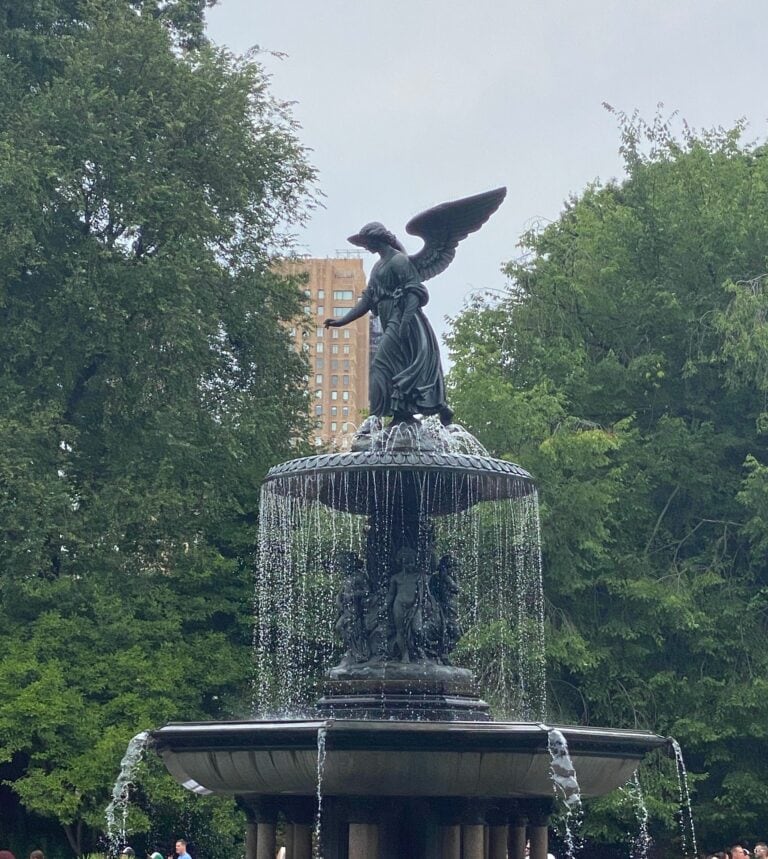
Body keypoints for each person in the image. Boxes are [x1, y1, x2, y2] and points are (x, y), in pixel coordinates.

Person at [325, 222, 452, 427]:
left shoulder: (398, 261)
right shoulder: (378, 266)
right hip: (390, 321)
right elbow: (367, 299)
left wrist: (404, 322)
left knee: (379, 365)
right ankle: (406, 414)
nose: (365, 246)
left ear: (377, 239)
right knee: (396, 370)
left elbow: (414, 292)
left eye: (367, 242)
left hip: (403, 320)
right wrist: (342, 321)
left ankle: (374, 421)